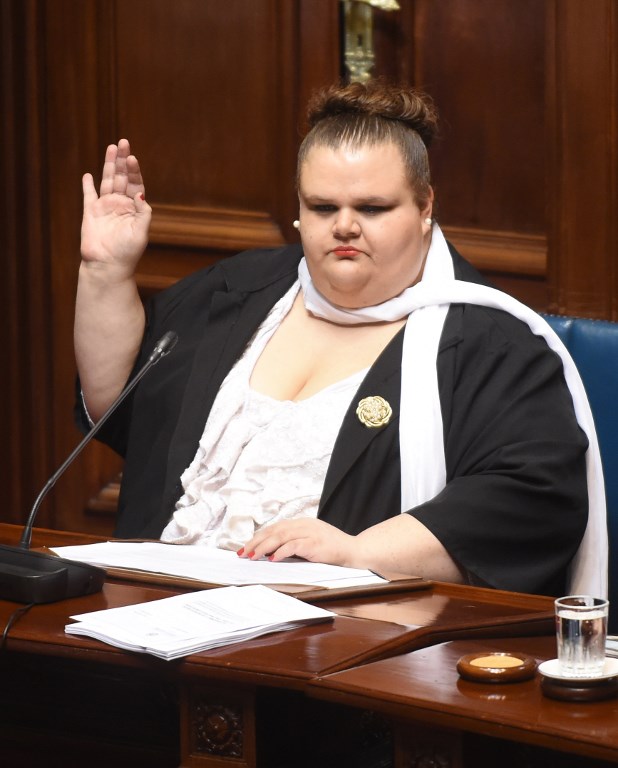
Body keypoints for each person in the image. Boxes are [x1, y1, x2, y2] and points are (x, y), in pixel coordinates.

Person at [75, 80, 605, 597]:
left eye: (372, 208)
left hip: (343, 636)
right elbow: (118, 408)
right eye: (323, 208)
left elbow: (531, 499)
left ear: (425, 208)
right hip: (150, 604)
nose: (344, 226)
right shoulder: (234, 291)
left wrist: (361, 552)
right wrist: (105, 271)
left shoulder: (491, 342)